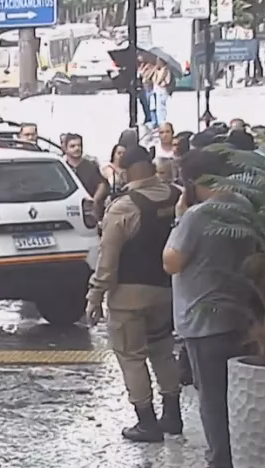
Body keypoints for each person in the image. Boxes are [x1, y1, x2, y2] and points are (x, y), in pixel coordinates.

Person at [163, 149, 254, 468]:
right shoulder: (243, 206)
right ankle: (238, 458)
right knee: (232, 394)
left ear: (196, 181)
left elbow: (172, 262)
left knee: (212, 397)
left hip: (202, 319)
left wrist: (178, 217)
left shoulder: (198, 215)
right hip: (236, 311)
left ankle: (220, 467)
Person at [86, 145, 183, 443]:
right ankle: (172, 414)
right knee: (163, 350)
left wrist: (95, 296)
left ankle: (146, 422)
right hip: (168, 290)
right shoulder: (177, 195)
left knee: (132, 357)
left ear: (125, 171)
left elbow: (108, 258)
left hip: (129, 295)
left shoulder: (125, 206)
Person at [152, 60, 173, 125]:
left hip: (162, 91)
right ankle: (160, 121)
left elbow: (158, 81)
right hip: (157, 90)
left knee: (161, 107)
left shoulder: (165, 70)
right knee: (158, 107)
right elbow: (153, 80)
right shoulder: (159, 70)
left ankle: (162, 121)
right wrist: (155, 71)